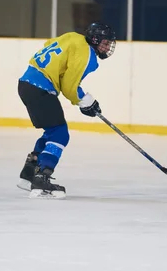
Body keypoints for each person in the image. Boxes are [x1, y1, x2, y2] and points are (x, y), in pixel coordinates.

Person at [17, 22, 116, 199]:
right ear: (95, 39)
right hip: (40, 87)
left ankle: (29, 173)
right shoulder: (88, 56)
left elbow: (49, 44)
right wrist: (85, 101)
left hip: (26, 83)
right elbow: (69, 86)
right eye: (105, 42)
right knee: (60, 134)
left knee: (52, 131)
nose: (108, 47)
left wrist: (83, 100)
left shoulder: (72, 36)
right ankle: (41, 177)